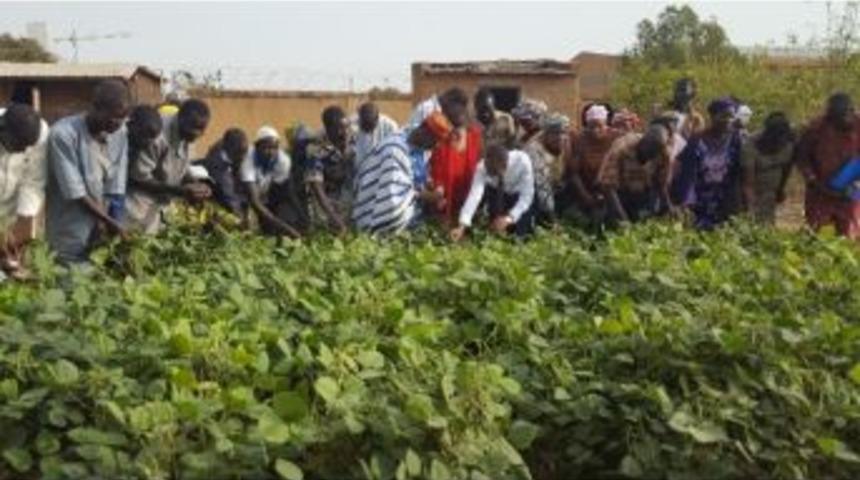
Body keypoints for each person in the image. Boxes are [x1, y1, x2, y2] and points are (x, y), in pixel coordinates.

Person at [45, 80, 131, 265]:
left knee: (101, 279)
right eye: (112, 116)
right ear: (95, 107)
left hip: (103, 225)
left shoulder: (120, 132)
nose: (117, 123)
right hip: (70, 224)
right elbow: (75, 192)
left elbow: (116, 182)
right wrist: (109, 221)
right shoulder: (63, 134)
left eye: (122, 117)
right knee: (69, 280)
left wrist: (114, 219)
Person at [352, 111, 451, 234]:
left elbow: (414, 177)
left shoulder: (419, 147)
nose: (434, 147)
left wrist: (429, 185)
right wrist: (430, 196)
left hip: (411, 216)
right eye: (435, 142)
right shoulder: (394, 149)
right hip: (374, 214)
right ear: (426, 133)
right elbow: (394, 194)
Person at [124, 99, 212, 234]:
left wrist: (195, 184)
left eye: (202, 130)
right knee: (134, 247)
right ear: (180, 119)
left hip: (160, 205)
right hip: (138, 204)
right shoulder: (157, 134)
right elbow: (138, 177)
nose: (197, 134)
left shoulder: (187, 136)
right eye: (194, 130)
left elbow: (181, 165)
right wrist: (180, 191)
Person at [671, 97, 744, 230]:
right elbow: (688, 177)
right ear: (712, 117)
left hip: (725, 199)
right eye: (723, 116)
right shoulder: (697, 141)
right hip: (700, 199)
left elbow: (739, 171)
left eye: (731, 116)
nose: (728, 120)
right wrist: (688, 203)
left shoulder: (736, 140)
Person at [795, 93, 860, 238]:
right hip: (821, 192)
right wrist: (811, 179)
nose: (846, 119)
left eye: (849, 113)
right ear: (831, 116)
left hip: (851, 192)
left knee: (849, 237)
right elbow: (802, 157)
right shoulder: (815, 129)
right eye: (841, 116)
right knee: (818, 236)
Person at [0, 103, 48, 280]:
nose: (24, 150)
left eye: (28, 145)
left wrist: (23, 223)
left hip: (11, 211)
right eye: (18, 145)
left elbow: (33, 181)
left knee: (10, 264)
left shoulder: (39, 133)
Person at [450, 142, 535, 241]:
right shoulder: (482, 168)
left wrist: (509, 218)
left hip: (518, 195)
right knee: (496, 229)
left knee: (520, 235)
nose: (491, 175)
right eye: (489, 172)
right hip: (496, 194)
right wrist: (462, 225)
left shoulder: (522, 161)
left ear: (505, 165)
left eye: (495, 172)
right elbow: (474, 196)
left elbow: (527, 197)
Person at [597, 123, 674, 223]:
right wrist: (622, 218)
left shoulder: (663, 153)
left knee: (645, 220)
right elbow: (607, 186)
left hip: (644, 193)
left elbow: (661, 183)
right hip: (619, 194)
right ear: (642, 142)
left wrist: (667, 206)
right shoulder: (622, 148)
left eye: (654, 153)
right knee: (613, 223)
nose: (650, 156)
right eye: (649, 150)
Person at [428, 88, 483, 225]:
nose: (456, 114)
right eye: (450, 111)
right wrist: (438, 189)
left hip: (471, 207)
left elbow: (482, 170)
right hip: (445, 209)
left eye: (459, 109)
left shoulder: (475, 137)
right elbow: (435, 173)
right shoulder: (440, 141)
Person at [299, 106, 356, 235]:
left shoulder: (354, 141)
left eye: (347, 127)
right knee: (327, 234)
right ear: (329, 130)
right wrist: (333, 217)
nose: (345, 132)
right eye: (340, 129)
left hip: (347, 197)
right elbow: (316, 188)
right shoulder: (316, 150)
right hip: (325, 203)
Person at [568, 103, 621, 225]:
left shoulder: (616, 137)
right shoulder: (579, 139)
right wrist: (586, 197)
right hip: (587, 189)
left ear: (606, 125)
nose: (595, 130)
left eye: (599, 126)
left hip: (613, 190)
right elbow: (573, 173)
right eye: (591, 127)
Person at [241, 126, 299, 238]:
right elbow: (254, 201)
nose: (271, 152)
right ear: (257, 146)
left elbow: (282, 191)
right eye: (266, 148)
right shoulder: (247, 159)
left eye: (274, 148)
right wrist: (284, 227)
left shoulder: (283, 161)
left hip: (266, 195)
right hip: (245, 196)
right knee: (248, 229)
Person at [740, 112, 795, 224]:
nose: (780, 145)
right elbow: (748, 184)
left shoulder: (789, 143)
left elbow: (786, 168)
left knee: (768, 225)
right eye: (777, 142)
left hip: (770, 194)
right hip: (753, 194)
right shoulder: (750, 146)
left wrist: (780, 189)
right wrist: (751, 208)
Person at [522, 112, 570, 225]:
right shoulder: (534, 151)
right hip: (531, 195)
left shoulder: (565, 142)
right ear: (545, 134)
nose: (559, 137)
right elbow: (543, 188)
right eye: (555, 133)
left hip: (556, 189)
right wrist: (553, 221)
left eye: (563, 133)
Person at [199, 128, 250, 219]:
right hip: (216, 195)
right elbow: (228, 196)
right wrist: (240, 216)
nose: (243, 157)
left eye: (244, 152)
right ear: (229, 149)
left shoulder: (231, 149)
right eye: (239, 153)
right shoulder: (218, 164)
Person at [355, 101, 398, 171]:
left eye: (370, 127)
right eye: (365, 127)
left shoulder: (391, 127)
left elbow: (394, 153)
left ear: (377, 119)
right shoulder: (359, 122)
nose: (368, 130)